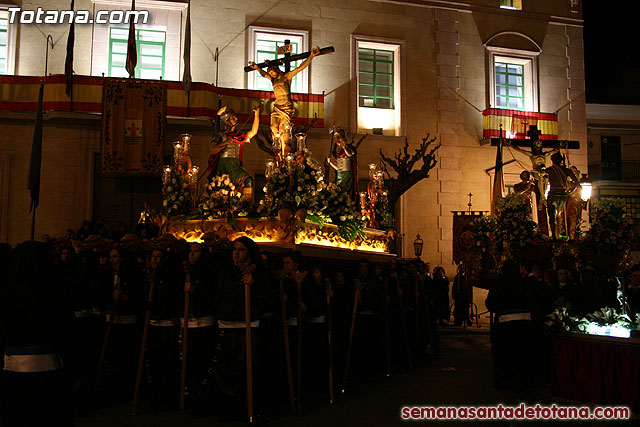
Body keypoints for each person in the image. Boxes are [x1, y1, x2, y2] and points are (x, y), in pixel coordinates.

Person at [249, 47, 320, 159]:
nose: (272, 75)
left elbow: (300, 68)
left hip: (286, 107)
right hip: (277, 107)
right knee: (273, 127)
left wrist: (311, 56)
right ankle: (277, 149)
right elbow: (263, 74)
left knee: (283, 130)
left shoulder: (286, 77)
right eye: (270, 74)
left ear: (277, 70)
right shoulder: (273, 80)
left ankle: (284, 152)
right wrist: (257, 67)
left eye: (273, 73)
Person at [485, 259, 534, 391]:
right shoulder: (524, 283)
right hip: (523, 325)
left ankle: (503, 380)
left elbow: (490, 303)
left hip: (504, 324)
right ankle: (521, 380)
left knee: (503, 354)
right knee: (521, 353)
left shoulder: (500, 284)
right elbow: (530, 300)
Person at [207, 104, 261, 201]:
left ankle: (246, 204)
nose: (236, 118)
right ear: (227, 121)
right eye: (233, 117)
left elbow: (253, 132)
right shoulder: (220, 135)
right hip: (224, 165)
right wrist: (225, 143)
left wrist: (256, 115)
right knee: (224, 189)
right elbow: (212, 150)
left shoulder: (239, 136)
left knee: (248, 180)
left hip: (235, 166)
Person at [326, 126, 357, 200]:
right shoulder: (337, 150)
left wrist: (344, 147)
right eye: (336, 136)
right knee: (338, 192)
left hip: (346, 174)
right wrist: (330, 162)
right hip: (340, 174)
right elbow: (338, 168)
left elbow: (350, 154)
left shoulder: (348, 147)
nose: (337, 139)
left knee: (344, 192)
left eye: (338, 136)